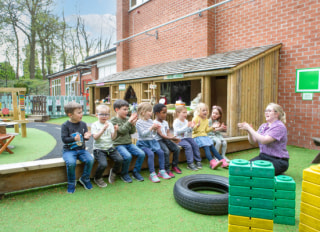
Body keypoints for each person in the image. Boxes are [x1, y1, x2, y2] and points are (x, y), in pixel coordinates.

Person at [238, 103, 289, 176]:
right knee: (244, 169)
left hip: (278, 161)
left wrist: (250, 128)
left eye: (269, 111)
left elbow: (264, 140)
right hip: (263, 157)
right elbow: (253, 141)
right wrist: (249, 131)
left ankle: (277, 171)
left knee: (257, 173)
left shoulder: (280, 127)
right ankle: (274, 172)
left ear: (276, 114)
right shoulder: (263, 126)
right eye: (266, 111)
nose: (266, 113)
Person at [61, 101, 94, 194]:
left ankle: (85, 179)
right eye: (79, 113)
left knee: (90, 160)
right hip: (69, 150)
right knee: (71, 163)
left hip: (81, 150)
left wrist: (87, 137)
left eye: (81, 112)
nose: (81, 114)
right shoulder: (65, 125)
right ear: (70, 114)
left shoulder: (83, 124)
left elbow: (84, 137)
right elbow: (64, 139)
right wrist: (73, 139)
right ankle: (71, 182)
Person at [110, 99, 145, 183]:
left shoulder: (127, 119)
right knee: (127, 156)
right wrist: (129, 122)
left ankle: (136, 172)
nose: (127, 111)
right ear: (117, 110)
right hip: (118, 145)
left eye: (127, 109)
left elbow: (132, 132)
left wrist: (133, 125)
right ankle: (124, 174)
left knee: (141, 154)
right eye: (124, 109)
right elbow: (121, 130)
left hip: (128, 143)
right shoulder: (114, 120)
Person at [136, 102, 171, 183]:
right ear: (143, 112)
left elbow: (153, 135)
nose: (151, 113)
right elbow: (143, 134)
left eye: (151, 111)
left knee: (161, 152)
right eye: (149, 111)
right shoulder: (139, 123)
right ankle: (152, 173)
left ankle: (162, 171)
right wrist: (152, 128)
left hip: (152, 142)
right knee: (151, 154)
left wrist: (155, 130)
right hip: (143, 143)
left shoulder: (150, 121)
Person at [91, 104, 123, 187]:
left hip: (109, 148)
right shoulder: (95, 125)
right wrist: (103, 129)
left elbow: (113, 138)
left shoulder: (110, 124)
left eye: (106, 114)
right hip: (99, 149)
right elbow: (95, 137)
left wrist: (115, 131)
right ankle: (97, 178)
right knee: (103, 164)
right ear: (96, 115)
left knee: (119, 159)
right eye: (102, 114)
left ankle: (113, 172)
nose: (104, 116)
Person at [192, 103, 229, 169]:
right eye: (203, 110)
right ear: (199, 111)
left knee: (212, 147)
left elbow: (206, 130)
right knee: (207, 147)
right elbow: (193, 130)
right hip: (197, 137)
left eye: (206, 110)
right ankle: (212, 163)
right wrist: (196, 126)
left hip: (204, 137)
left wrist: (212, 127)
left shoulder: (206, 120)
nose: (205, 112)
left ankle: (222, 161)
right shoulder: (196, 118)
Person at [153, 103, 181, 178]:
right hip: (158, 140)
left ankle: (174, 166)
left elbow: (168, 133)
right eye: (163, 113)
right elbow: (161, 135)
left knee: (177, 148)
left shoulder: (165, 122)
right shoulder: (155, 123)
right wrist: (171, 138)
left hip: (166, 139)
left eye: (166, 112)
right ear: (157, 113)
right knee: (166, 151)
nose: (165, 114)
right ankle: (166, 169)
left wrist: (174, 138)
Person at [173, 105, 202, 171]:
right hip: (179, 139)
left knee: (195, 144)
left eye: (186, 112)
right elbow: (178, 132)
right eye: (183, 112)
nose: (185, 114)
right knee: (188, 146)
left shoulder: (186, 121)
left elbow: (188, 132)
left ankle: (198, 161)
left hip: (186, 137)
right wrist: (187, 127)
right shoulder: (176, 121)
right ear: (178, 113)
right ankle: (190, 163)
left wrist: (191, 127)